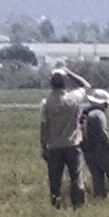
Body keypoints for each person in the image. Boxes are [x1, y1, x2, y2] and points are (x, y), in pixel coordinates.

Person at [37, 71, 87, 208]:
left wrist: (43, 147)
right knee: (76, 178)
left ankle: (56, 205)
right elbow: (85, 85)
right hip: (72, 144)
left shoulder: (46, 103)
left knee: (55, 180)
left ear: (51, 84)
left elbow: (44, 127)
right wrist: (69, 73)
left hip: (54, 146)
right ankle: (78, 205)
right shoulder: (73, 98)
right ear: (65, 83)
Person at [76, 81, 109, 201]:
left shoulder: (83, 112)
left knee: (97, 178)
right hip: (100, 149)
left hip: (87, 150)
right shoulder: (98, 115)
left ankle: (99, 200)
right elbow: (102, 133)